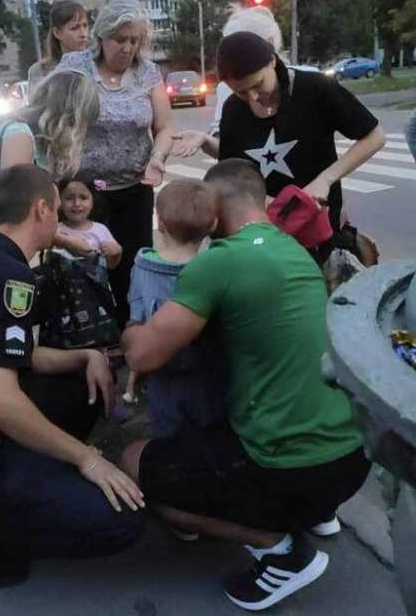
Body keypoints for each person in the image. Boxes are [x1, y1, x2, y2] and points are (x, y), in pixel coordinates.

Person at [120, 159, 371, 611]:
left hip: (291, 465)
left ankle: (281, 551)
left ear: (213, 208)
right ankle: (315, 513)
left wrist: (131, 330)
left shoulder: (221, 261)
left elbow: (143, 356)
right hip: (353, 458)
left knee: (135, 462)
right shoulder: (293, 248)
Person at [0, 164, 145, 588]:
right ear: (41, 210)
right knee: (122, 521)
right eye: (56, 207)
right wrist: (86, 458)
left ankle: (28, 481)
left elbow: (16, 355)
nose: (60, 216)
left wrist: (84, 356)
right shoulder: (11, 278)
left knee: (81, 383)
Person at [174, 32, 385, 257]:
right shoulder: (233, 109)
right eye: (241, 92)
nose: (253, 97)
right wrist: (207, 142)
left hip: (317, 228)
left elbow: (374, 137)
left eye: (258, 85)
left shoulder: (315, 88)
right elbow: (236, 169)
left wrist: (325, 180)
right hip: (265, 233)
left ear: (273, 61)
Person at [58, 0, 174, 325]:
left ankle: (131, 328)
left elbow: (165, 127)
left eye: (134, 40)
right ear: (102, 37)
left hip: (135, 187)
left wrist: (157, 158)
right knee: (85, 268)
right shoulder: (76, 65)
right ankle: (88, 332)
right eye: (120, 39)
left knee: (133, 265)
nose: (127, 48)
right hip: (85, 192)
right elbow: (55, 118)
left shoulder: (148, 72)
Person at [0, 69, 100, 290]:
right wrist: (68, 241)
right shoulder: (20, 137)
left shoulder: (9, 126)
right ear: (69, 117)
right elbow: (18, 215)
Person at [123, 179, 225, 438]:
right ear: (214, 224)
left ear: (160, 223)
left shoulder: (142, 266)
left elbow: (136, 319)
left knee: (165, 431)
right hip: (208, 373)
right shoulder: (215, 269)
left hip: (161, 372)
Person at [207, 4, 284, 137]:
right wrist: (209, 139)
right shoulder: (227, 89)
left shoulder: (307, 85)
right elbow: (222, 133)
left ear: (269, 45)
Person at [56, 175, 122, 269]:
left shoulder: (100, 229)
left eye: (83, 198)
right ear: (59, 202)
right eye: (69, 198)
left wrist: (117, 252)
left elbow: (111, 265)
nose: (77, 203)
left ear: (92, 201)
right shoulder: (55, 230)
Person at [28, 0, 89, 91]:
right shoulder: (40, 71)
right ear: (57, 33)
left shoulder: (97, 66)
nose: (83, 34)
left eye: (85, 26)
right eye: (74, 28)